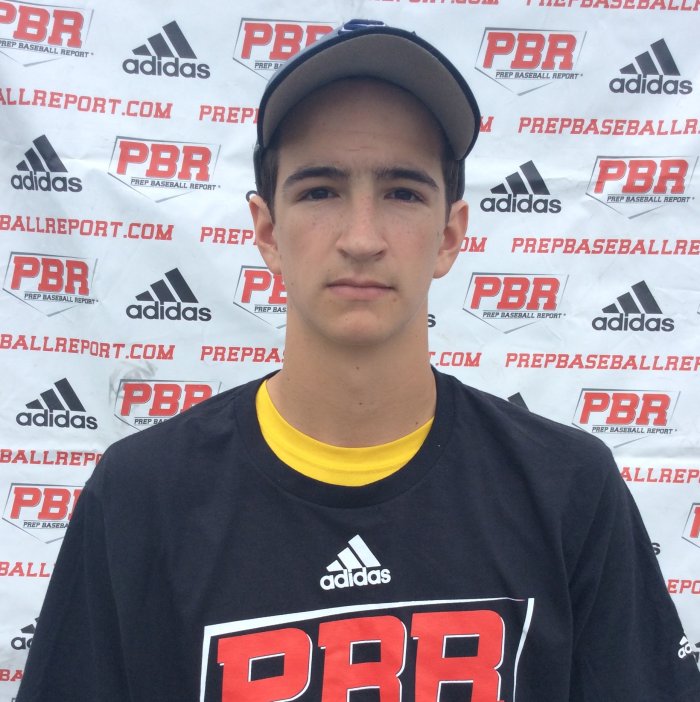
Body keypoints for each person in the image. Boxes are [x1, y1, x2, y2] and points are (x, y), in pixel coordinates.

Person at [17, 19, 700, 702]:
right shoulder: (141, 497)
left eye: (403, 193)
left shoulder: (567, 489)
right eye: (320, 190)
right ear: (267, 231)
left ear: (449, 235)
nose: (362, 237)